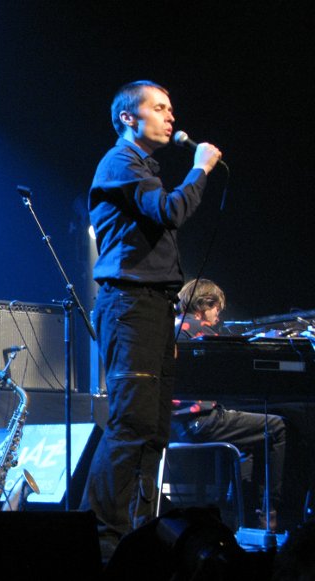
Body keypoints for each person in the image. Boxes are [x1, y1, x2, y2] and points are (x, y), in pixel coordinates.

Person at [82, 80, 223, 548]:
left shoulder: (143, 166)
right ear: (129, 117)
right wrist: (200, 170)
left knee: (154, 430)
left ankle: (137, 535)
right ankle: (98, 537)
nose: (170, 117)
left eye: (171, 108)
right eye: (159, 108)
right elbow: (170, 211)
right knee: (130, 425)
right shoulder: (120, 161)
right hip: (130, 306)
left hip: (153, 307)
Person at [172, 278, 286, 531]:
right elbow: (236, 369)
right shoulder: (199, 329)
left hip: (178, 424)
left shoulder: (174, 326)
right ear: (204, 304)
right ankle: (269, 512)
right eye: (217, 311)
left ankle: (237, 513)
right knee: (275, 426)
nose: (218, 318)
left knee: (250, 437)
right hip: (202, 420)